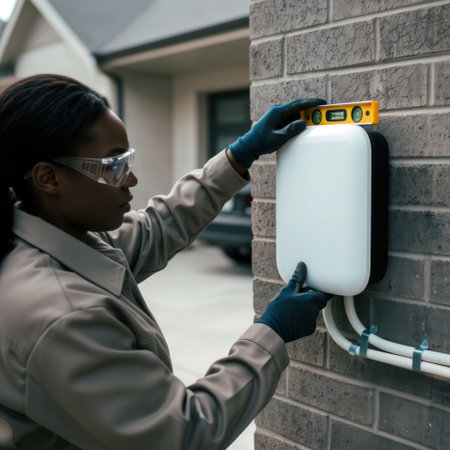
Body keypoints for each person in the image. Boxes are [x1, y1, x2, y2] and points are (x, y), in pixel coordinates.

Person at [0, 74, 330, 449]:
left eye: (127, 160)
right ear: (48, 178)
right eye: (112, 167)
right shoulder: (61, 315)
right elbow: (184, 433)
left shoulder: (56, 237)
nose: (132, 179)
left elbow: (157, 227)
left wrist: (238, 156)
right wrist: (271, 332)